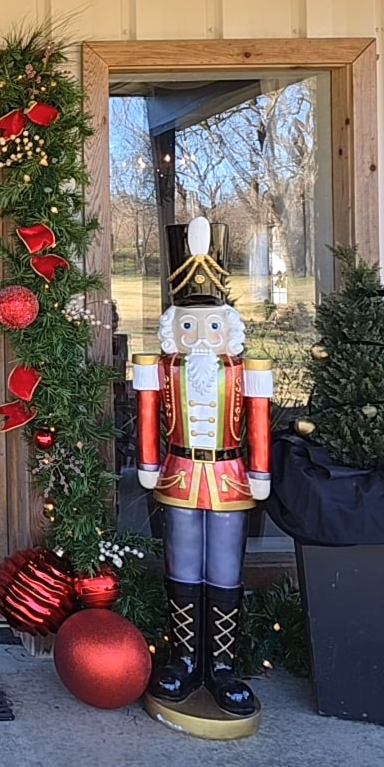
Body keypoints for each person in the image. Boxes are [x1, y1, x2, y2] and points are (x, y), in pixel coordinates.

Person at [134, 216, 272, 719]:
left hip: (231, 476)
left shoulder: (246, 373)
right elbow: (148, 416)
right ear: (173, 327)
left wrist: (260, 471)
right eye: (188, 325)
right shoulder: (162, 369)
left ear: (228, 328)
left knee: (225, 568)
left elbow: (258, 421)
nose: (199, 335)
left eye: (211, 325)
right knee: (183, 563)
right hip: (179, 474)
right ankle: (185, 658)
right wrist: (148, 463)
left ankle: (223, 667)